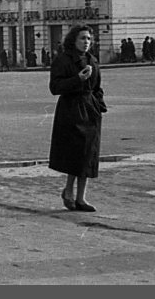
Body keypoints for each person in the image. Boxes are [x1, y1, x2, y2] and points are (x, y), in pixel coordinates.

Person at [49, 24, 107, 213]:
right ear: (73, 40)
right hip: (71, 110)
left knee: (88, 155)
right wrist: (77, 80)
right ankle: (69, 192)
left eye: (89, 39)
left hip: (90, 110)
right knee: (76, 154)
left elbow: (97, 87)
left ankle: (80, 197)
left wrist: (99, 106)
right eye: (82, 38)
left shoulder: (92, 60)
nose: (86, 42)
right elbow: (55, 87)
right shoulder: (63, 60)